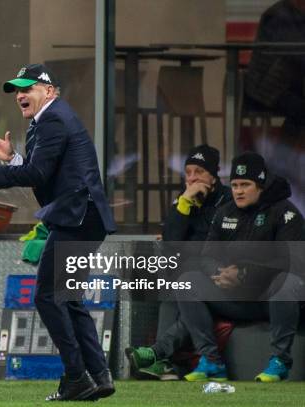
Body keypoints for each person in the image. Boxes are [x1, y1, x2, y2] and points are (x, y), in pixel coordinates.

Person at [0, 64, 116, 401]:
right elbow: (43, 170)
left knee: (47, 297)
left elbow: (40, 173)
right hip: (84, 217)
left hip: (77, 217)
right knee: (69, 299)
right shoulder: (51, 118)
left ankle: (77, 376)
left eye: (27, 88)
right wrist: (14, 158)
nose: (20, 95)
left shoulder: (53, 119)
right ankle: (99, 375)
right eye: (17, 90)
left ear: (49, 90)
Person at [176, 152, 304, 382]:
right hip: (235, 296)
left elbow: (294, 262)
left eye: (246, 184)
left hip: (269, 298)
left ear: (261, 186)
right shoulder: (224, 212)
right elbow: (207, 256)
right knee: (188, 280)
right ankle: (211, 361)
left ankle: (280, 361)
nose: (238, 191)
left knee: (288, 282)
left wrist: (245, 273)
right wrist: (221, 274)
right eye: (234, 185)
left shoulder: (285, 212)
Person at [126, 144, 232, 380]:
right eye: (188, 173)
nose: (193, 178)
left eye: (199, 172)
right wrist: (184, 202)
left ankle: (157, 354)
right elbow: (171, 241)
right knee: (174, 287)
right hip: (188, 277)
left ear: (213, 175)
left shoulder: (228, 202)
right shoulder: (184, 201)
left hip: (219, 279)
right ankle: (163, 362)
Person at [243, 0, 305, 214]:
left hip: (290, 89)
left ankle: (286, 173)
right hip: (268, 91)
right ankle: (282, 173)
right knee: (299, 113)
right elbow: (295, 53)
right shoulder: (279, 15)